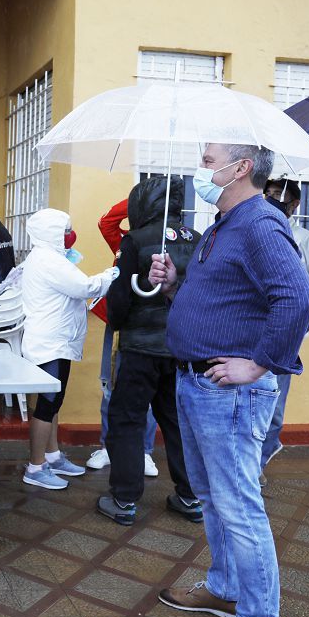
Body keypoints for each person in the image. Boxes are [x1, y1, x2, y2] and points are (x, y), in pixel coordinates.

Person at [150, 143, 309, 617]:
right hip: (198, 384)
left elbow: (299, 300)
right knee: (212, 497)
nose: (198, 170)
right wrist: (172, 285)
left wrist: (258, 364)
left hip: (229, 392)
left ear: (240, 168)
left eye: (207, 161)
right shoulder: (222, 225)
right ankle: (224, 588)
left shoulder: (260, 223)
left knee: (238, 505)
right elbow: (223, 303)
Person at [97, 177, 202, 526]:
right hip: (182, 350)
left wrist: (119, 319)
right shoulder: (197, 240)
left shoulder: (135, 241)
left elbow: (119, 300)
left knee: (126, 420)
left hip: (140, 350)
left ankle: (124, 499)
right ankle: (189, 495)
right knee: (177, 423)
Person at [19, 208, 118, 490]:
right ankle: (35, 467)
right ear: (52, 233)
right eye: (65, 230)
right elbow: (84, 287)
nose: (70, 235)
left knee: (54, 401)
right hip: (50, 342)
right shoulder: (48, 260)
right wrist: (113, 274)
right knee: (47, 404)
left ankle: (52, 455)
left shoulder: (51, 257)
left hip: (56, 340)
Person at [260, 178, 309, 474]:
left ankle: (260, 461)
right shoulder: (256, 231)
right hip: (250, 334)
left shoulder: (307, 242)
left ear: (295, 203)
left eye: (281, 195)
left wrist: (297, 332)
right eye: (271, 194)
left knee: (273, 408)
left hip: (285, 337)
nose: (275, 200)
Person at [87, 197, 160, 478]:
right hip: (119, 324)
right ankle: (109, 446)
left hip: (149, 327)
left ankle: (144, 451)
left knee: (148, 392)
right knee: (110, 386)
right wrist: (137, 198)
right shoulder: (127, 243)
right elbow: (106, 221)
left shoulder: (167, 242)